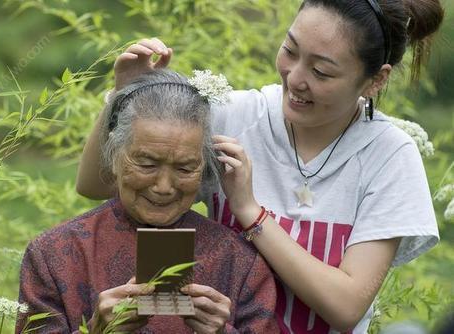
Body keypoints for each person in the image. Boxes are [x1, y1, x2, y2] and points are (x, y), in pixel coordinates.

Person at [76, 0, 444, 333]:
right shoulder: (231, 115)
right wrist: (122, 95)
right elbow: (98, 184)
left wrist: (251, 213)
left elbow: (346, 307)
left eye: (322, 72)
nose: (296, 78)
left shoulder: (390, 156)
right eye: (290, 51)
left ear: (375, 80)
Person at [16, 70, 279, 333]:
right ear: (114, 156)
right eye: (147, 164)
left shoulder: (239, 263)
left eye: (185, 168)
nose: (164, 187)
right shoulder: (53, 254)